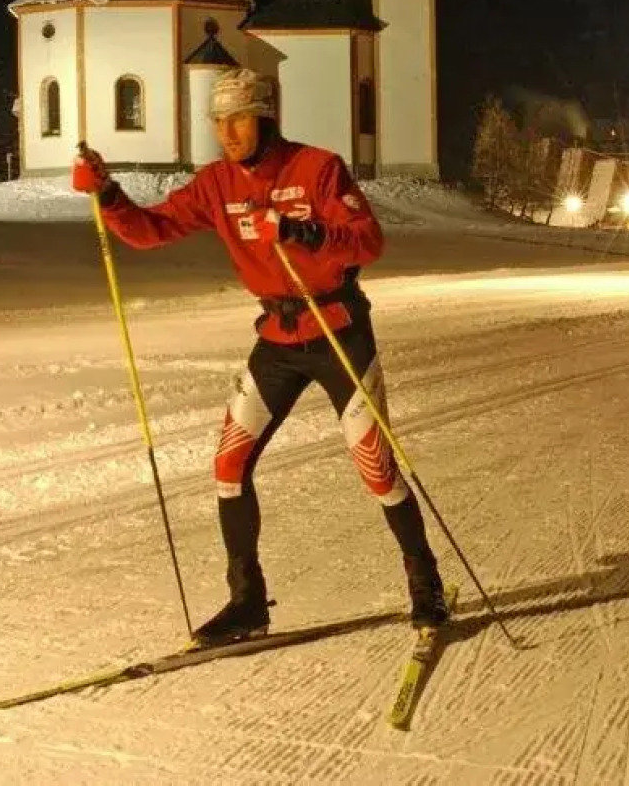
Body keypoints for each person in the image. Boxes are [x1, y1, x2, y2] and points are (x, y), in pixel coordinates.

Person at [71, 66, 448, 645]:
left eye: (239, 119)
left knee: (375, 468)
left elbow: (368, 241)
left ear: (265, 116)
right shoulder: (216, 183)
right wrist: (108, 193)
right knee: (229, 464)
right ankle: (247, 603)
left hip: (336, 327)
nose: (228, 133)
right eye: (218, 122)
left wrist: (301, 232)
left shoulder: (317, 168)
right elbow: (151, 230)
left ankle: (426, 585)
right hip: (278, 335)